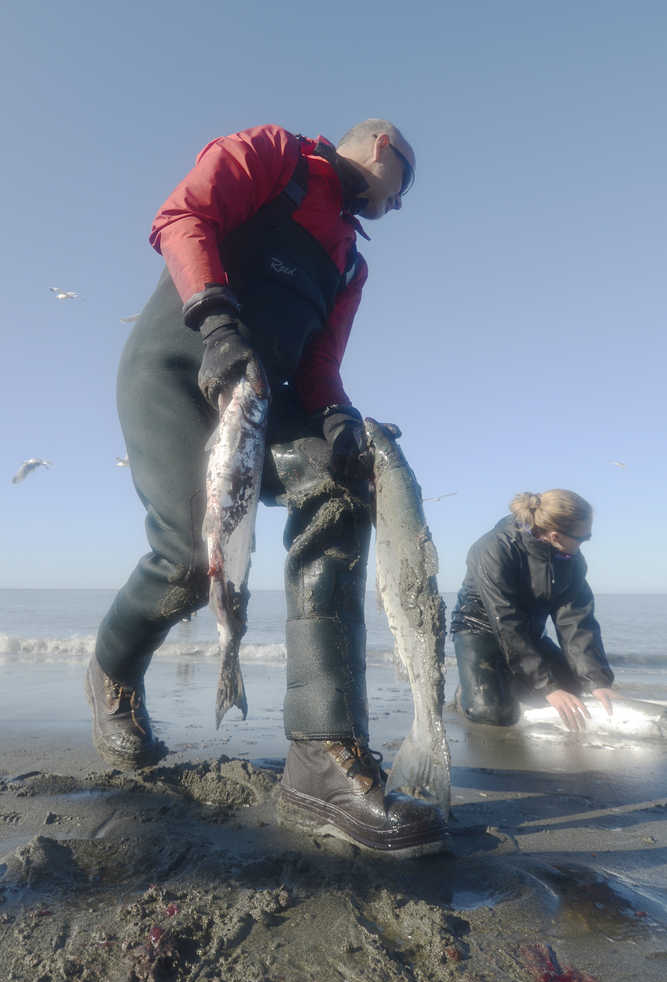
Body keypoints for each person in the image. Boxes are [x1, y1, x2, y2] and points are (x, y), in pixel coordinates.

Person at [85, 119, 448, 856]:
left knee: (341, 483)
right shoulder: (277, 156)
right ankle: (111, 674)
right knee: (193, 562)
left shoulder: (350, 263)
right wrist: (218, 324)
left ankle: (321, 757)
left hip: (260, 398)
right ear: (381, 146)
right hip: (178, 368)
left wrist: (336, 418)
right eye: (402, 187)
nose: (397, 205)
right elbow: (182, 215)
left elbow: (318, 369)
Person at [450, 489, 615, 732]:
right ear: (556, 536)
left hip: (529, 633)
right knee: (493, 714)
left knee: (575, 689)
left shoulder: (572, 560)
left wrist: (597, 680)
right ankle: (470, 689)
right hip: (480, 630)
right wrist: (545, 685)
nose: (583, 544)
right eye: (582, 538)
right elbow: (505, 620)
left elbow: (577, 621)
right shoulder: (494, 548)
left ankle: (509, 678)